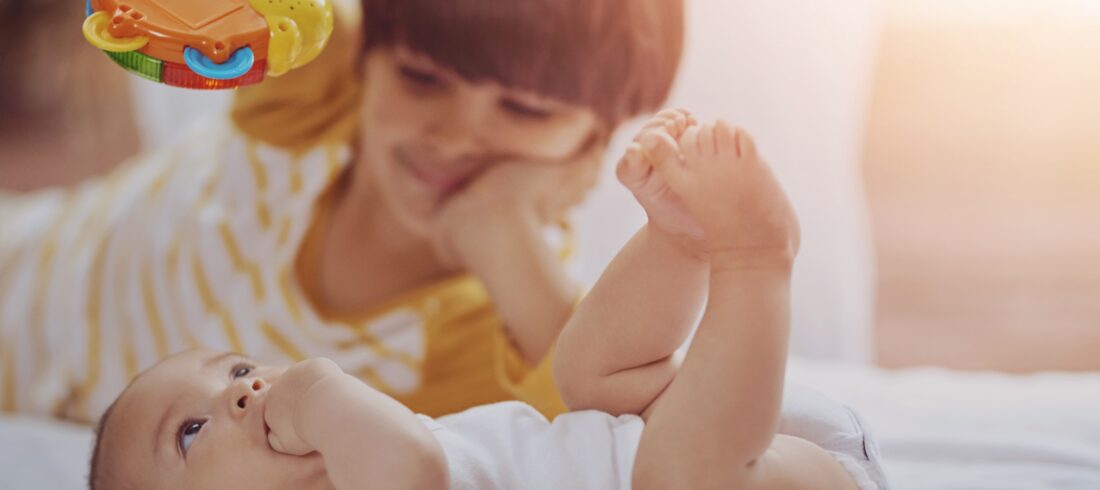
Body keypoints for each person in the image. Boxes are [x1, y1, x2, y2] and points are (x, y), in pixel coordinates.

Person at [87, 113, 888, 489]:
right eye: (190, 432)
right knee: (678, 479)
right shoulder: (378, 454)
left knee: (587, 369)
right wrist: (318, 389)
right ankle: (754, 258)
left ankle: (680, 243)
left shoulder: (351, 454)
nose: (241, 391)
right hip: (719, 473)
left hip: (681, 440)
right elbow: (415, 468)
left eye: (234, 367)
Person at [0, 0, 683, 422]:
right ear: (367, 59)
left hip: (61, 415)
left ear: (595, 138)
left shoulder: (512, 318)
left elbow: (621, 431)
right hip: (22, 259)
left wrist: (500, 234)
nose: (452, 135)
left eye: (526, 110)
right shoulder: (320, 94)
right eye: (421, 79)